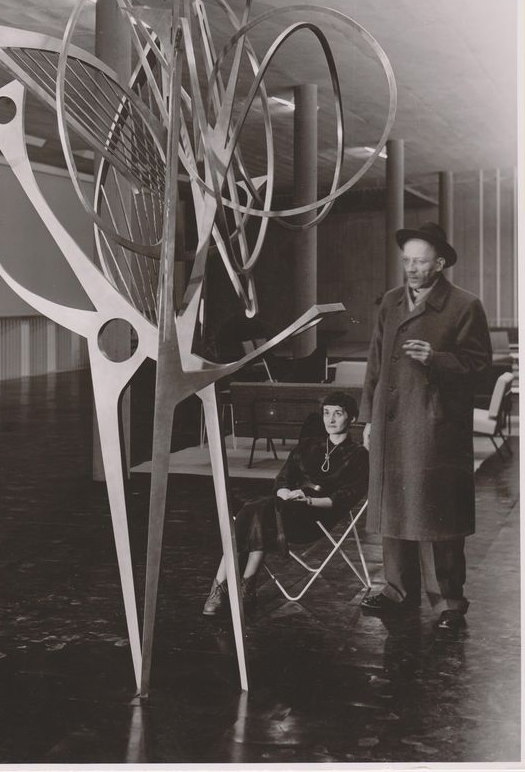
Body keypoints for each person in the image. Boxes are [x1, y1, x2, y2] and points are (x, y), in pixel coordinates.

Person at [359, 222, 492, 632]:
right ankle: (397, 589)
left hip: (434, 426)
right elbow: (375, 363)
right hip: (391, 421)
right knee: (393, 509)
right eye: (407, 261)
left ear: (440, 263)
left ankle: (447, 601)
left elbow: (480, 366)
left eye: (420, 261)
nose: (411, 268)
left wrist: (436, 357)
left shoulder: (465, 305)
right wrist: (367, 417)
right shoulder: (391, 302)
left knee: (437, 513)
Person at [202, 392, 369, 616]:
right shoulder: (309, 445)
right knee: (259, 511)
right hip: (285, 508)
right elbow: (283, 478)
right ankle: (244, 589)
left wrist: (308, 500)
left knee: (253, 510)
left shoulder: (359, 454)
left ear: (353, 419)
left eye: (338, 414)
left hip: (316, 516)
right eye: (326, 413)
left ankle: (221, 590)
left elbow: (345, 497)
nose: (330, 420)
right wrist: (284, 492)